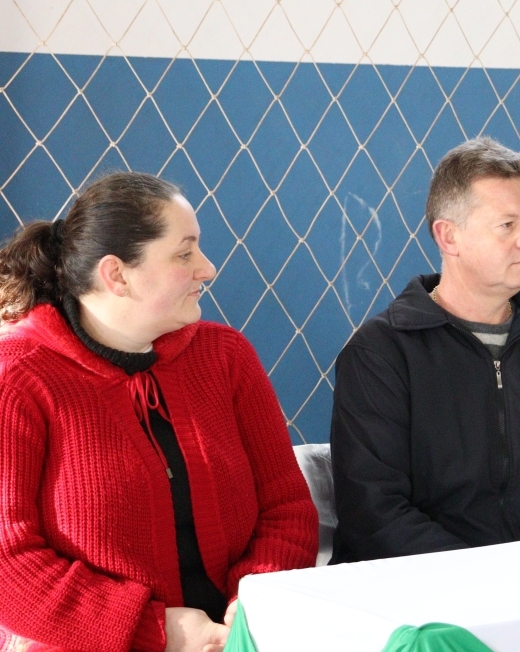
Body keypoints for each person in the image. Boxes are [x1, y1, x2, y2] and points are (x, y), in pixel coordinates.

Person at [0, 172, 318, 652]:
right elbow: (9, 563)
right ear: (117, 275)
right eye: (184, 254)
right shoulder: (18, 377)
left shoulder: (225, 356)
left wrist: (253, 602)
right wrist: (153, 630)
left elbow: (287, 507)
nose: (208, 268)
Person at [330, 137, 520, 561]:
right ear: (448, 236)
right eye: (507, 225)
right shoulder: (379, 354)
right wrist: (484, 582)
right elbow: (374, 514)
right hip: (412, 593)